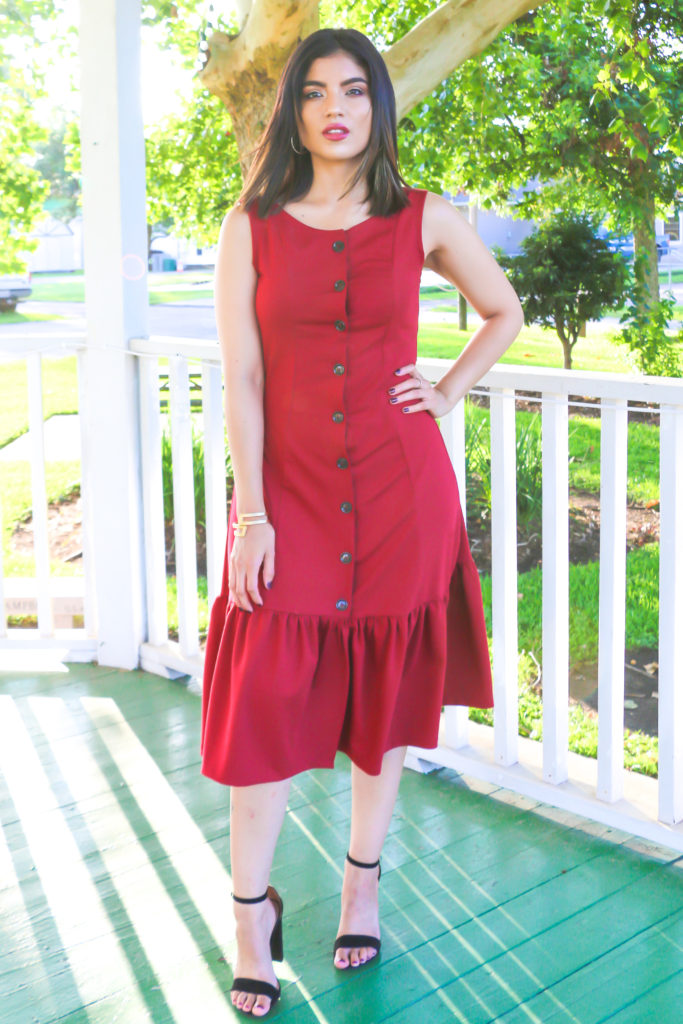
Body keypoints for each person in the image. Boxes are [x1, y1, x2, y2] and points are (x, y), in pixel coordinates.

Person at [200, 26, 524, 1018]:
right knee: (261, 712)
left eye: (352, 90)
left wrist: (444, 392)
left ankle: (360, 882)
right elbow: (243, 378)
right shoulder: (249, 223)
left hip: (398, 495)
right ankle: (251, 912)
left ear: (377, 106)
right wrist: (250, 513)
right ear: (291, 110)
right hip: (286, 501)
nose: (333, 107)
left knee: (379, 715)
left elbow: (499, 309)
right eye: (313, 92)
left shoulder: (420, 218)